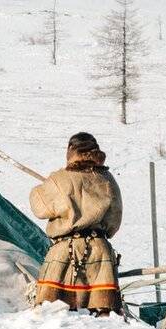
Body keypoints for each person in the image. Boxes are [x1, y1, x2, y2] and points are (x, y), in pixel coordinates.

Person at [29, 132, 122, 314]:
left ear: (71, 151)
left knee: (55, 315)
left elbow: (39, 206)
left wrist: (44, 188)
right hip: (100, 253)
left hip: (66, 252)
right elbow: (114, 219)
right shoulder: (108, 179)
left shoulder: (60, 179)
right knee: (102, 315)